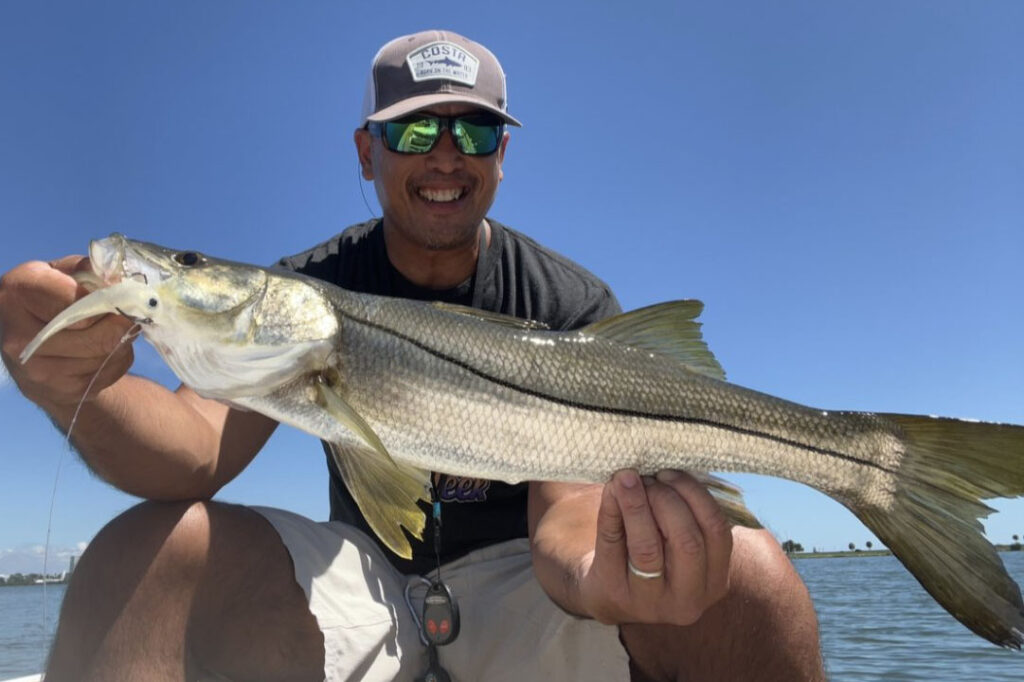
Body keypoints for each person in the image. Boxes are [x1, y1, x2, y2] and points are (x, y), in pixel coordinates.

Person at [0, 30, 824, 681]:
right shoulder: (306, 290)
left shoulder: (568, 302)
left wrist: (592, 574)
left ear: (502, 157)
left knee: (753, 578)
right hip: (361, 581)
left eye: (474, 130)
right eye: (416, 129)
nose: (445, 153)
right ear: (367, 152)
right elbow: (193, 447)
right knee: (142, 555)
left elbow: (569, 504)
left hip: (530, 585)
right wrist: (84, 390)